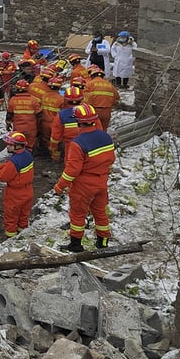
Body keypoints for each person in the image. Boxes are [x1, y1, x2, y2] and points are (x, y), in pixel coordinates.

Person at [53, 104, 115, 252]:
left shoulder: (77, 143)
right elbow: (111, 159)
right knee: (100, 211)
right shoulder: (106, 137)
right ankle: (103, 241)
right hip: (101, 181)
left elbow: (72, 171)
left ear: (78, 122)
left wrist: (59, 186)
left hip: (83, 185)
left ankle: (76, 244)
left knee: (77, 214)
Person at [0, 131, 34, 238]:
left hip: (15, 195)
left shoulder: (13, 162)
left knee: (11, 219)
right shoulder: (27, 155)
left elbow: (2, 177)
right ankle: (22, 237)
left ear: (17, 146)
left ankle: (11, 239)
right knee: (23, 217)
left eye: (10, 144)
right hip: (28, 191)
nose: (7, 146)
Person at [49, 86, 84, 161]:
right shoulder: (88, 111)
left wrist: (53, 148)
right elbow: (98, 129)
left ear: (65, 100)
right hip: (86, 143)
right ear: (81, 99)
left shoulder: (62, 115)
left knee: (71, 163)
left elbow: (55, 135)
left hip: (70, 145)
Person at [6, 79, 42, 152]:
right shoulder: (33, 100)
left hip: (18, 128)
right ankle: (28, 159)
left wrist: (8, 124)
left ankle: (18, 160)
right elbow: (40, 115)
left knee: (18, 146)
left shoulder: (12, 100)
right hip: (31, 129)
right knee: (29, 146)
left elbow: (9, 115)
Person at [84, 65, 119, 131]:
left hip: (94, 110)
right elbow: (117, 97)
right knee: (103, 130)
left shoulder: (90, 84)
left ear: (93, 75)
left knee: (93, 130)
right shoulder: (109, 85)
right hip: (107, 112)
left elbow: (86, 99)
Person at [39, 76, 65, 155]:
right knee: (56, 140)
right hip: (55, 123)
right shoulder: (61, 99)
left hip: (44, 122)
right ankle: (55, 156)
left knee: (46, 138)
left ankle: (47, 153)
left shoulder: (44, 96)